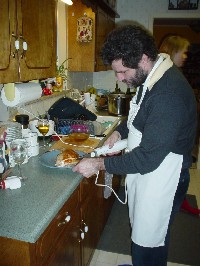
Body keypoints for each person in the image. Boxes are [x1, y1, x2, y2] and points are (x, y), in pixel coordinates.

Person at [72, 24, 197, 266]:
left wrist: (99, 164)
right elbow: (138, 118)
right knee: (144, 234)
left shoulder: (167, 94)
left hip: (164, 177)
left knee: (149, 243)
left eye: (122, 71)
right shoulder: (152, 74)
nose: (119, 78)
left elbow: (146, 158)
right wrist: (118, 133)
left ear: (143, 58)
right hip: (151, 174)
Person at [159, 35, 200, 216]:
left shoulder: (173, 75)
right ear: (172, 51)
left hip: (180, 146)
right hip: (175, 151)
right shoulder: (168, 79)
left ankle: (180, 201)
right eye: (183, 52)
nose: (185, 56)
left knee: (181, 176)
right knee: (180, 176)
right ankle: (177, 203)